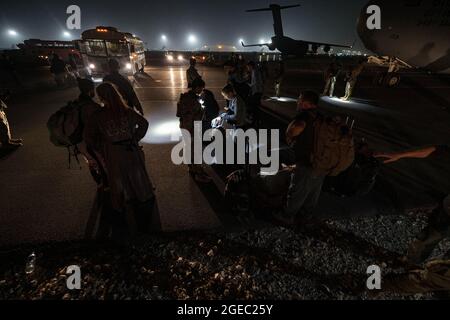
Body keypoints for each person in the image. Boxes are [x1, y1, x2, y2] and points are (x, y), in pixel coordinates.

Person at [84, 82, 156, 237]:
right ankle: (141, 202)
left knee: (117, 178)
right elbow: (144, 123)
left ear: (101, 97)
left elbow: (89, 138)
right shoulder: (127, 111)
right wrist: (135, 138)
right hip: (131, 149)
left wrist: (102, 146)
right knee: (137, 176)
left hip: (113, 152)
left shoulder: (98, 116)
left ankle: (122, 207)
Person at [376, 145, 450, 264]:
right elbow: (436, 150)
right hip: (446, 213)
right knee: (427, 239)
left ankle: (433, 276)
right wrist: (399, 155)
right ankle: (411, 263)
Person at [273, 91, 325, 226]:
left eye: (300, 100)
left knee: (297, 190)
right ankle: (306, 215)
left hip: (306, 161)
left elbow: (295, 129)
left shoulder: (304, 116)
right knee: (313, 190)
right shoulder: (321, 116)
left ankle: (287, 216)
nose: (297, 102)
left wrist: (289, 136)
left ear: (306, 103)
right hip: (322, 160)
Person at [177, 78, 211, 183]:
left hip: (184, 126)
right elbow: (197, 116)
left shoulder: (184, 97)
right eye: (201, 88)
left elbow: (178, 113)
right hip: (192, 128)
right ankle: (198, 174)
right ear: (197, 87)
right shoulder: (193, 100)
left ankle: (192, 168)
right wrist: (202, 110)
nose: (202, 90)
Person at [74, 78, 103, 184]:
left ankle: (100, 184)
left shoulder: (76, 104)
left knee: (91, 162)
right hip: (91, 140)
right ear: (91, 90)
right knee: (101, 162)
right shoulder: (91, 107)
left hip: (79, 141)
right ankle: (105, 185)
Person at [247, 61, 264, 127]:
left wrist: (250, 85)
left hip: (257, 91)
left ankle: (255, 121)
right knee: (256, 107)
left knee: (255, 107)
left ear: (250, 66)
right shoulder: (255, 71)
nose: (248, 68)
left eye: (248, 67)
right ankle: (257, 121)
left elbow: (256, 82)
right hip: (258, 91)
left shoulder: (255, 72)